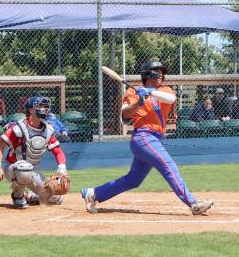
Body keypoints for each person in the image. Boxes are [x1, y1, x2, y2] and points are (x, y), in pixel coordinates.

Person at [80, 61, 213, 215]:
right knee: (168, 166)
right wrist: (138, 103)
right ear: (148, 75)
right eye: (157, 71)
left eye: (162, 71)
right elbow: (125, 115)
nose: (161, 75)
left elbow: (171, 100)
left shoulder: (165, 90)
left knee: (133, 180)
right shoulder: (133, 93)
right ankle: (193, 203)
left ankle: (93, 194)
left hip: (155, 139)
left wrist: (150, 92)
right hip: (143, 137)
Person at [0, 96, 68, 209]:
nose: (44, 109)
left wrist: (62, 168)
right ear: (31, 110)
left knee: (55, 198)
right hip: (14, 168)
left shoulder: (48, 130)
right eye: (40, 106)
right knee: (24, 167)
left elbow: (58, 152)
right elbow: (1, 144)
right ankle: (18, 196)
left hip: (33, 172)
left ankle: (31, 196)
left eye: (45, 107)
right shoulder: (19, 127)